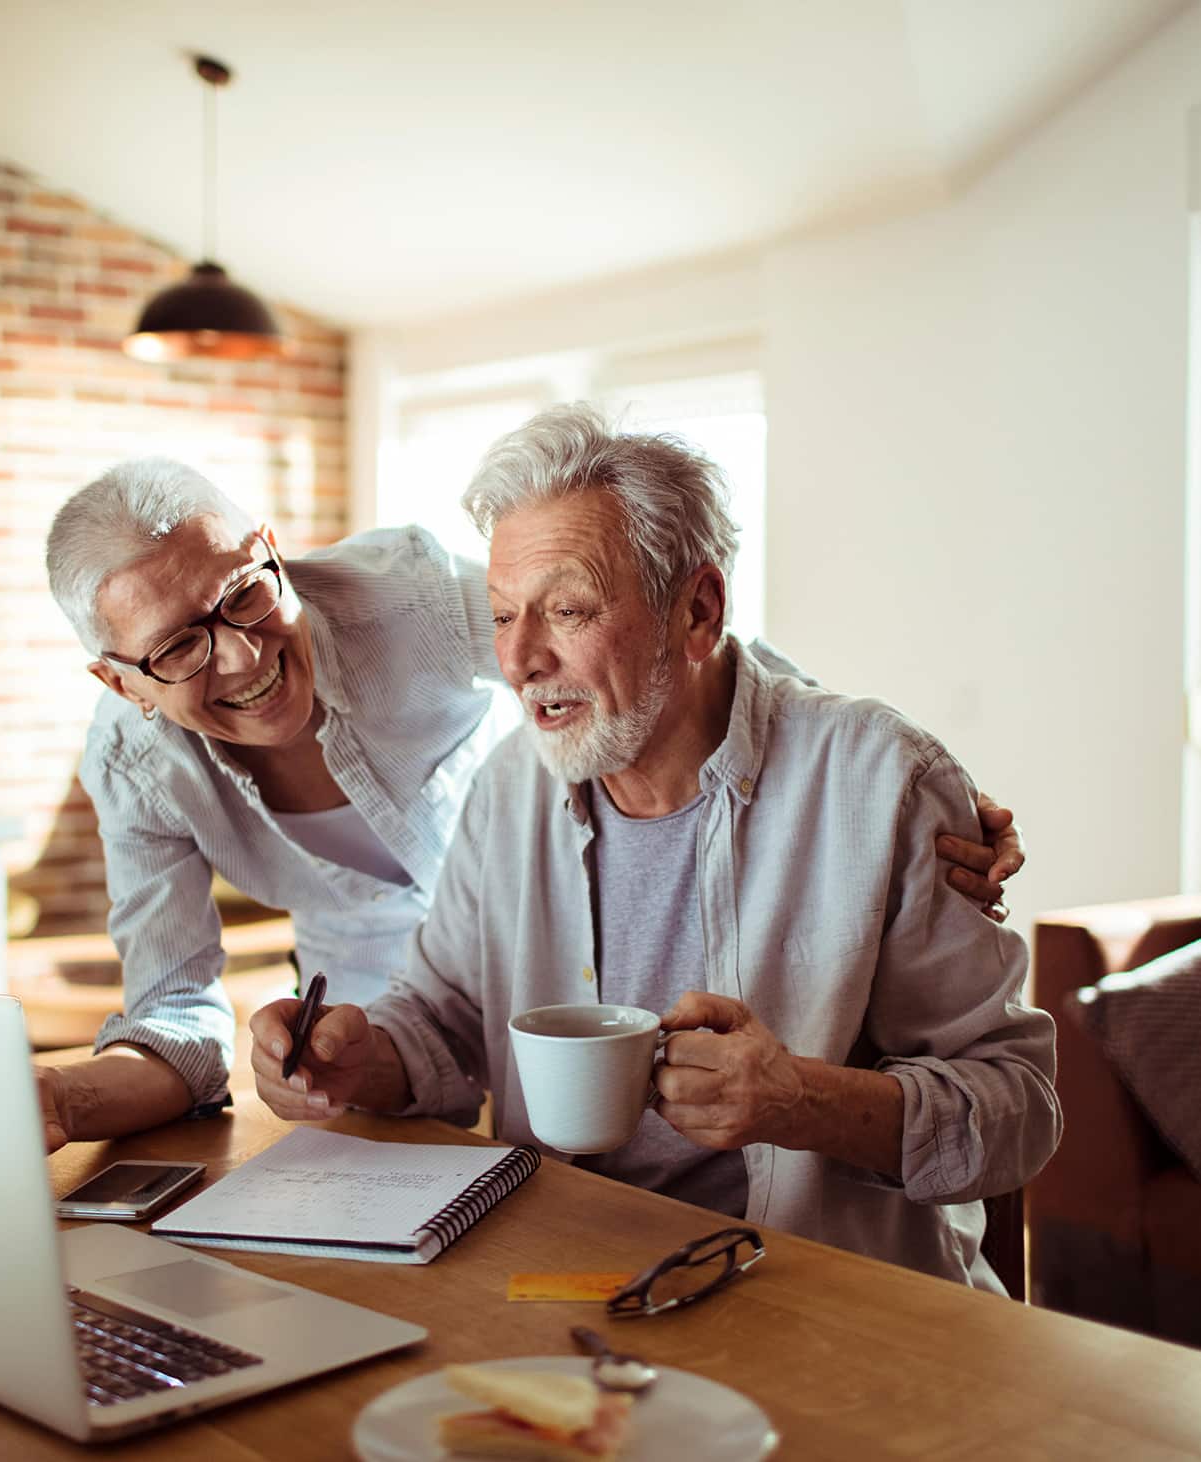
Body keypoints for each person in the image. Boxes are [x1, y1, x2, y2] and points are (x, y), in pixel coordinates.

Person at [248, 405, 1059, 1291]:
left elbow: (1019, 1109)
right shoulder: (508, 788)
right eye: (503, 614)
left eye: (568, 608)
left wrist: (801, 1101)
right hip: (561, 1282)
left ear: (697, 610)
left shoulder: (884, 781)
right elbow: (440, 1021)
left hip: (823, 1300)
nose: (519, 658)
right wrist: (355, 1057)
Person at [37, 457, 1026, 1152]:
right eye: (177, 648)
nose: (244, 654)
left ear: (268, 553)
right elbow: (192, 1007)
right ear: (120, 682)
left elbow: (660, 638)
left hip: (528, 943)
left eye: (244, 596)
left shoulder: (409, 601)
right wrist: (61, 1096)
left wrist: (876, 777)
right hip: (399, 1010)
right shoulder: (136, 766)